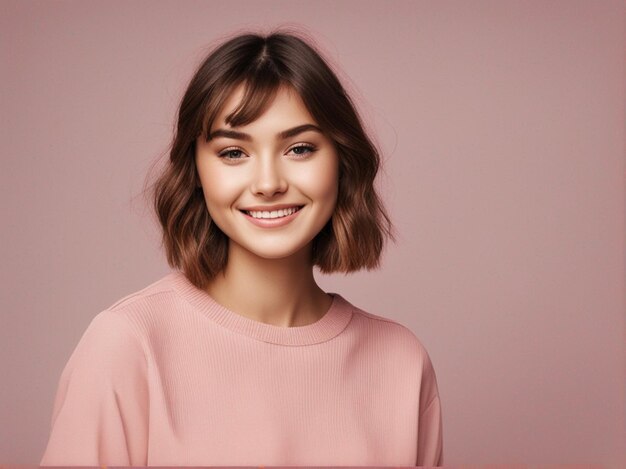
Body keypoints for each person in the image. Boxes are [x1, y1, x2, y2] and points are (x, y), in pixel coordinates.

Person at [40, 30, 443, 466]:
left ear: (342, 161)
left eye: (300, 148)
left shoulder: (401, 362)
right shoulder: (128, 345)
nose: (268, 183)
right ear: (196, 169)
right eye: (233, 152)